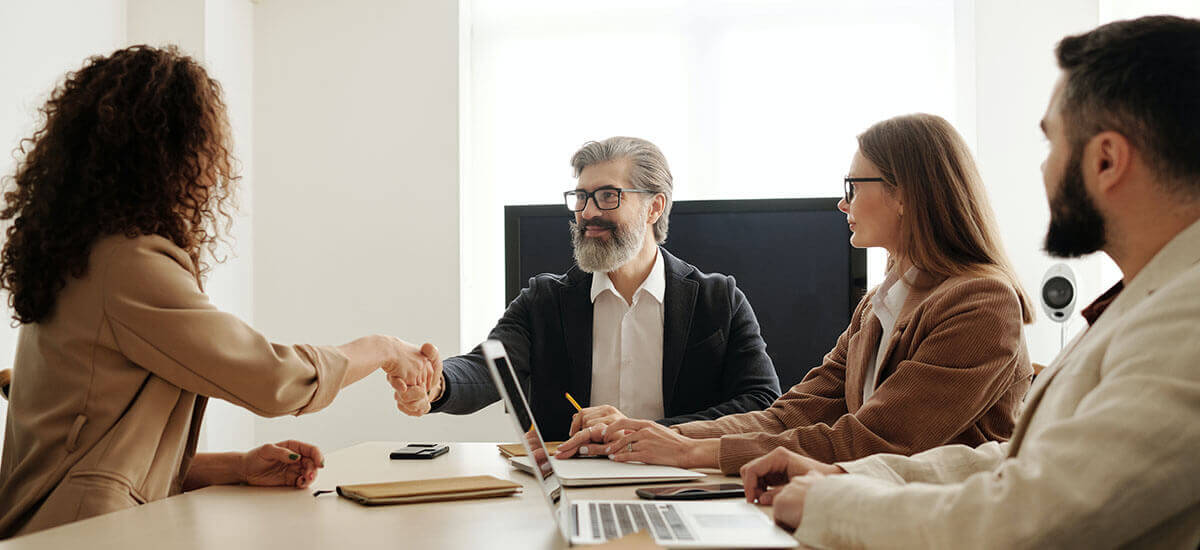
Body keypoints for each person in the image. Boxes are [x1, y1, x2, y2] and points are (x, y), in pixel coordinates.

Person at [739, 16, 1200, 549]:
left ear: (1106, 160)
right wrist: (849, 478)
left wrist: (831, 504)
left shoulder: (1185, 321)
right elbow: (1014, 460)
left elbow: (1037, 517)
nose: (1045, 171)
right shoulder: (1150, 301)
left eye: (1052, 146)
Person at [0, 45, 440, 539]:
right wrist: (382, 348)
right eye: (205, 147)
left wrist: (235, 466)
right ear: (169, 152)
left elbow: (96, 454)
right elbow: (272, 378)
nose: (213, 168)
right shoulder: (127, 265)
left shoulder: (81, 258)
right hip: (83, 536)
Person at [556, 114, 1035, 475]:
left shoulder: (982, 305)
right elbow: (791, 414)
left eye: (853, 185)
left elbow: (877, 440)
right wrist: (658, 436)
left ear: (907, 193)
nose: (842, 202)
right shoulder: (878, 305)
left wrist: (692, 451)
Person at [390, 137, 781, 440]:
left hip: (683, 480)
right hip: (574, 481)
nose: (588, 212)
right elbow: (487, 369)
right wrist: (436, 384)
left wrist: (652, 432)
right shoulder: (544, 301)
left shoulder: (719, 300)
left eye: (607, 196)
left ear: (654, 207)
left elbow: (761, 404)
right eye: (581, 197)